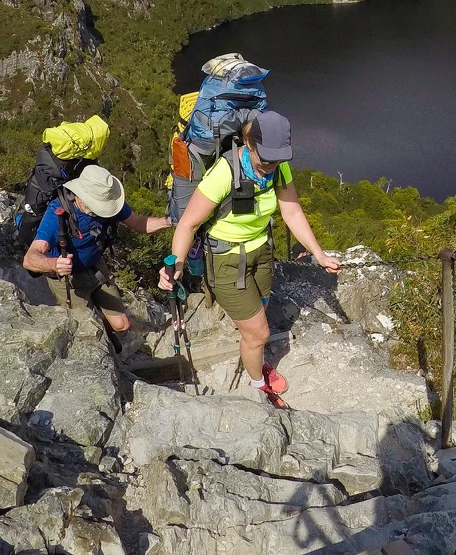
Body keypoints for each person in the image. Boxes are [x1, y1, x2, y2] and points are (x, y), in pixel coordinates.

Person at [158, 109, 340, 404]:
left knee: (260, 314)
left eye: (277, 159)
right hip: (228, 261)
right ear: (250, 144)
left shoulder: (278, 168)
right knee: (259, 334)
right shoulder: (224, 173)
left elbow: (291, 210)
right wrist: (175, 264)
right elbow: (188, 222)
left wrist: (318, 254)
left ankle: (252, 348)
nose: (271, 165)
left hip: (261, 253)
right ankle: (258, 386)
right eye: (265, 158)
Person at [23, 164, 171, 337]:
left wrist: (170, 221)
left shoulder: (109, 202)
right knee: (85, 331)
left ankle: (108, 337)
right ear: (80, 196)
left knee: (121, 324)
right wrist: (54, 264)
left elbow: (138, 223)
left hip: (95, 266)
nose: (103, 210)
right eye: (98, 205)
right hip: (65, 277)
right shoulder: (57, 214)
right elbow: (30, 258)